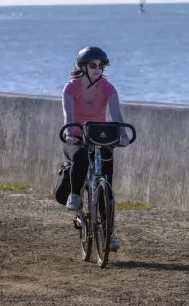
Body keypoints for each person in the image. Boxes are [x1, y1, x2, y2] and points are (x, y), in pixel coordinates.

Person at [62, 46, 130, 251]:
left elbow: (117, 116)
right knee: (81, 156)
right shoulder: (71, 87)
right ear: (83, 66)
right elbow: (69, 116)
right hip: (76, 137)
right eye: (93, 65)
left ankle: (107, 236)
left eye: (101, 66)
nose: (97, 69)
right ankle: (74, 196)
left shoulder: (108, 88)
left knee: (106, 186)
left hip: (98, 136)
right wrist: (69, 134)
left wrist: (123, 135)